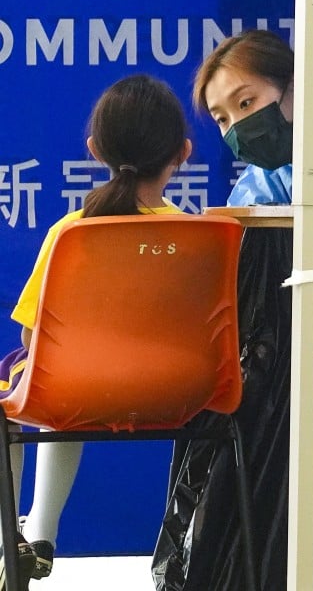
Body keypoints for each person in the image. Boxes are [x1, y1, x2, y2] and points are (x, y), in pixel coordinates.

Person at [0, 74, 192, 590]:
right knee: (55, 378)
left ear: (94, 150)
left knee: (26, 379)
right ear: (184, 152)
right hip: (182, 394)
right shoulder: (200, 237)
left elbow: (32, 337)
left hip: (74, 390)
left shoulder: (72, 232)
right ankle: (34, 532)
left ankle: (26, 536)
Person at [191, 28, 313, 205]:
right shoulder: (258, 186)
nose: (236, 127)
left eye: (245, 103)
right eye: (222, 119)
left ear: (294, 85)